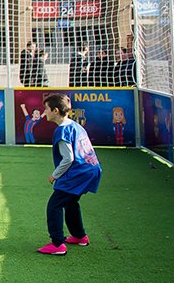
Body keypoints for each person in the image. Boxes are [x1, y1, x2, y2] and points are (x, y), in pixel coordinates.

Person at [37, 93, 102, 256]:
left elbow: (68, 158)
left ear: (56, 111)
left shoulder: (62, 131)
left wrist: (55, 175)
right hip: (92, 169)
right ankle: (80, 236)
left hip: (79, 172)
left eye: (46, 109)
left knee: (54, 205)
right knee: (70, 201)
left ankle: (57, 244)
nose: (44, 112)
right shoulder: (75, 125)